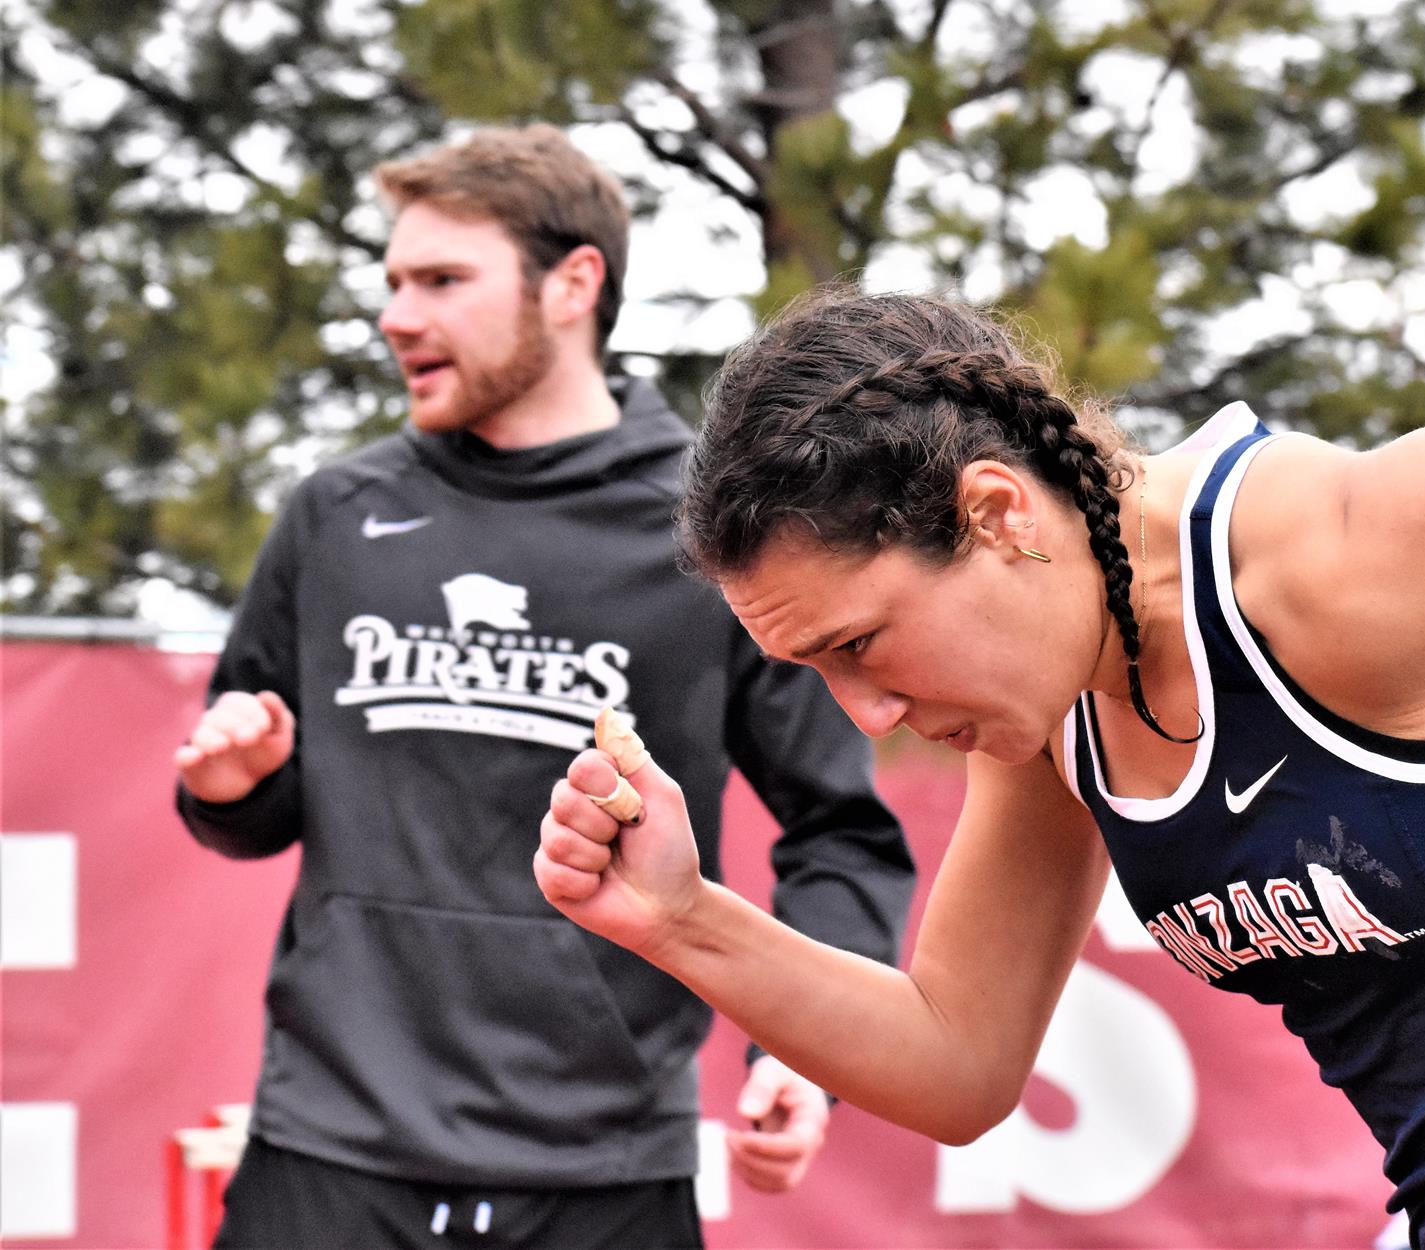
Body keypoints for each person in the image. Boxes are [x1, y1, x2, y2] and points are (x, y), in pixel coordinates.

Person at [535, 287, 1425, 1249]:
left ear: (995, 513)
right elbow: (959, 1062)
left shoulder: (1349, 566)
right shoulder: (1059, 718)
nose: (867, 714)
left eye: (863, 642)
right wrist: (680, 915)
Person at [172, 128, 913, 1250]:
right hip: (327, 1157)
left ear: (574, 284)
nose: (396, 315)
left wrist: (807, 1059)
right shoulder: (335, 513)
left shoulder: (717, 535)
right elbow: (250, 809)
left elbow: (840, 830)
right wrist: (235, 784)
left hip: (603, 1177)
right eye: (391, 283)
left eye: (440, 280)